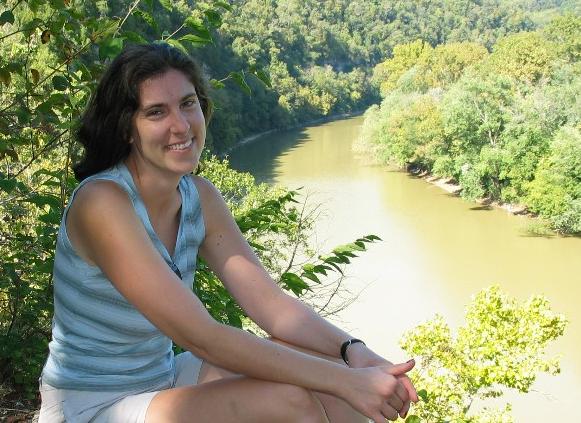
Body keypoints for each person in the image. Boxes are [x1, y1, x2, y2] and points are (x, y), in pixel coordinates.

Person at [38, 42, 418, 423]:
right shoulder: (102, 203)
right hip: (93, 404)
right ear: (126, 128)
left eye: (189, 104)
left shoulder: (198, 198)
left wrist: (353, 353)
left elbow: (271, 306)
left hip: (163, 378)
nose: (182, 125)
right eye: (157, 112)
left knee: (323, 371)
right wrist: (346, 381)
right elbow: (201, 337)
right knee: (289, 401)